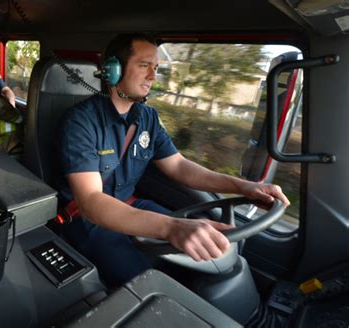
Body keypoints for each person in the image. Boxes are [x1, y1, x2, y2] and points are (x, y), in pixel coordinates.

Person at [58, 33, 290, 287]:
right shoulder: (81, 121)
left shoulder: (148, 118)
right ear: (113, 69)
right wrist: (171, 227)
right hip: (88, 218)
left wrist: (243, 186)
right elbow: (91, 201)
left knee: (202, 253)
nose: (153, 77)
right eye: (144, 65)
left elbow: (179, 166)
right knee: (146, 282)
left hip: (133, 205)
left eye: (155, 68)